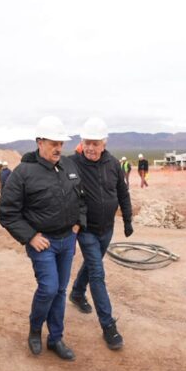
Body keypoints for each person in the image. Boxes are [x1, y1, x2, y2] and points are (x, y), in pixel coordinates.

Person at [0, 116, 86, 360]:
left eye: (61, 142)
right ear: (39, 142)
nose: (58, 147)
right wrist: (30, 237)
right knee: (48, 288)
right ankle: (35, 330)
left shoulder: (68, 166)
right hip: (43, 242)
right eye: (52, 143)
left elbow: (80, 197)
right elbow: (7, 212)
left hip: (67, 240)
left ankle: (55, 338)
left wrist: (79, 223)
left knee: (59, 290)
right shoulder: (24, 173)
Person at [67, 118, 132, 350]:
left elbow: (123, 193)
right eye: (87, 143)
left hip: (107, 228)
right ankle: (108, 326)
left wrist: (127, 219)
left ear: (104, 143)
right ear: (81, 142)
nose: (91, 148)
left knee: (93, 264)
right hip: (86, 229)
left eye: (95, 143)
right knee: (97, 272)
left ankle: (76, 293)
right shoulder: (72, 163)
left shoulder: (113, 164)